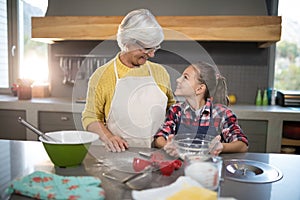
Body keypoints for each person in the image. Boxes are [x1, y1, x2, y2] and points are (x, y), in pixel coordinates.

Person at [82, 9, 175, 152]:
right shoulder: (102, 76)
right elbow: (90, 117)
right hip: (119, 155)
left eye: (155, 47)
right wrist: (108, 137)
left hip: (158, 155)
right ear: (127, 43)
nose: (152, 54)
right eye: (146, 48)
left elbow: (173, 111)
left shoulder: (160, 72)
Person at [154, 61, 248, 155]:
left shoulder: (221, 113)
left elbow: (242, 145)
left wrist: (221, 146)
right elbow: (160, 138)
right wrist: (167, 145)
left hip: (210, 167)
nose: (178, 80)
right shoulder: (176, 110)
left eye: (185, 77)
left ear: (199, 89)